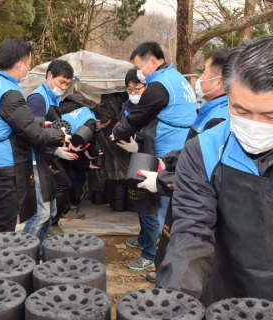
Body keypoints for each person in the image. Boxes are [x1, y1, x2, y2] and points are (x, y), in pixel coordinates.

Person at [157, 35, 273, 314]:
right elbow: (192, 234)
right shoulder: (204, 150)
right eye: (240, 110)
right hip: (223, 296)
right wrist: (177, 304)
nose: (253, 126)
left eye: (270, 116)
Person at [136, 48, 230, 282]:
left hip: (199, 199)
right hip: (179, 176)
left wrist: (161, 181)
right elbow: (193, 149)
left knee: (184, 236)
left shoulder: (219, 118)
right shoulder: (209, 110)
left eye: (204, 72)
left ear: (218, 82)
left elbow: (205, 171)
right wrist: (166, 161)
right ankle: (166, 268)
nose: (199, 79)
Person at [111, 41, 197, 271]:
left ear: (152, 62)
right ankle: (148, 243)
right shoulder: (176, 78)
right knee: (154, 201)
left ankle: (156, 255)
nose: (140, 73)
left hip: (164, 155)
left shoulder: (159, 86)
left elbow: (136, 117)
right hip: (177, 150)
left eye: (140, 67)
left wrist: (118, 132)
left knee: (156, 204)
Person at [0, 39, 68, 234]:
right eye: (29, 64)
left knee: (0, 220)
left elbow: (15, 122)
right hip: (5, 165)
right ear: (19, 65)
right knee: (3, 224)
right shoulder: (9, 91)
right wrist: (61, 138)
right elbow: (34, 136)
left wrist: (44, 124)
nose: (29, 69)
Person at [24, 59, 76, 240]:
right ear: (49, 76)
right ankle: (24, 254)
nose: (63, 87)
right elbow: (33, 133)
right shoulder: (38, 98)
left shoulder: (53, 98)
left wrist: (58, 148)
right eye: (61, 82)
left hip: (48, 160)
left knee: (51, 211)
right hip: (36, 161)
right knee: (41, 214)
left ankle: (38, 251)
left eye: (67, 84)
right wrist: (55, 149)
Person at [61, 104, 115, 216]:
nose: (105, 127)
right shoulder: (89, 126)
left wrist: (93, 153)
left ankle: (67, 205)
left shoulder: (87, 111)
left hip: (60, 135)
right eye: (105, 125)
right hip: (59, 143)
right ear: (98, 122)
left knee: (72, 176)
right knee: (66, 180)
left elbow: (92, 137)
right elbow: (75, 150)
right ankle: (64, 211)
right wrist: (87, 164)